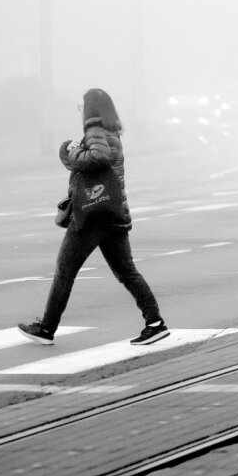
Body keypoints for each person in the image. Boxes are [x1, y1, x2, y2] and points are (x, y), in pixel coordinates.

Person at [18, 88, 169, 346]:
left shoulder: (95, 132)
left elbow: (98, 157)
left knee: (64, 272)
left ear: (90, 110)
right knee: (127, 272)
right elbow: (89, 164)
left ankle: (46, 329)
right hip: (113, 213)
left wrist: (73, 151)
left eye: (82, 107)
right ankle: (155, 323)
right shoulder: (111, 133)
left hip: (91, 217)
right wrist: (70, 152)